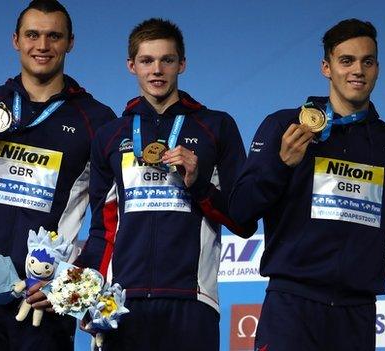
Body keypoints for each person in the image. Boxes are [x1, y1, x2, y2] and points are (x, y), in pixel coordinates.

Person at [0, 1, 116, 350]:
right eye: (32, 35)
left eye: (53, 36)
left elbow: (110, 218)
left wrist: (74, 284)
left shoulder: (96, 119)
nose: (42, 46)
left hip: (45, 297)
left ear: (70, 42)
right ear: (16, 40)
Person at [228, 18, 385, 351]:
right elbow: (240, 214)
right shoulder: (285, 126)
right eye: (346, 60)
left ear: (377, 68)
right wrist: (280, 165)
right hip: (291, 308)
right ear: (326, 67)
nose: (357, 70)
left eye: (367, 61)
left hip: (357, 316)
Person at [74, 18, 254, 351]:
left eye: (167, 60)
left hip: (192, 301)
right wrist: (89, 291)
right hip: (122, 303)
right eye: (146, 61)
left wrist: (198, 183)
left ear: (181, 64)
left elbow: (243, 221)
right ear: (132, 66)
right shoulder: (110, 135)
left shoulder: (216, 127)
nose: (157, 70)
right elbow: (104, 228)